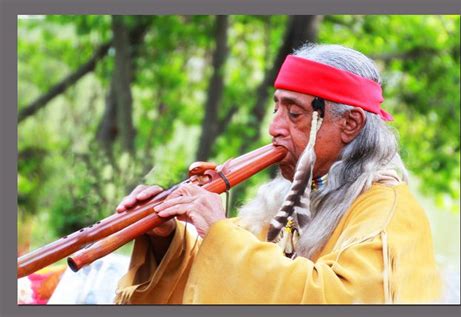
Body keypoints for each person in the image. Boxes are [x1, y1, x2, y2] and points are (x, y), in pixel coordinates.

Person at [114, 43, 442, 304]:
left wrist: (220, 234)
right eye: (276, 108)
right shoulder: (291, 198)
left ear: (350, 124)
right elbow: (217, 280)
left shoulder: (388, 214)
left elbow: (334, 300)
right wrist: (167, 237)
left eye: (294, 113)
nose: (274, 128)